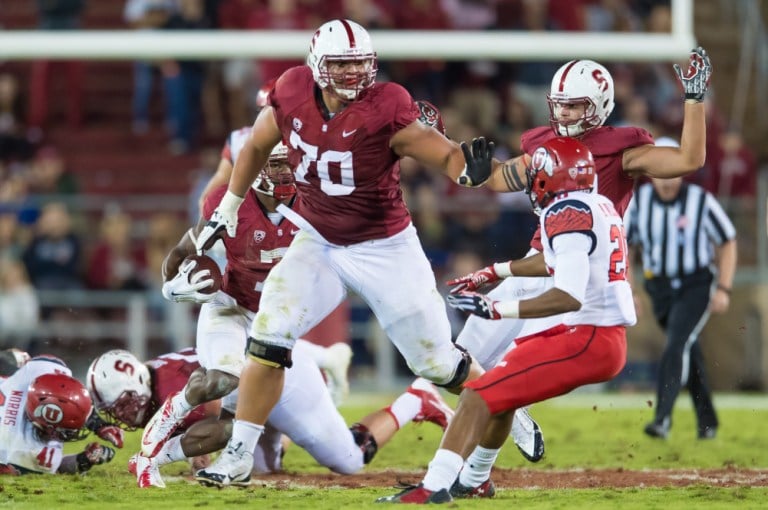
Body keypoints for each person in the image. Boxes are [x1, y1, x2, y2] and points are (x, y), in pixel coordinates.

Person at [193, 19, 486, 486]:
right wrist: (230, 204)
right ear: (316, 66)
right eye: (341, 64)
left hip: (384, 246)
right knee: (269, 337)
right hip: (319, 238)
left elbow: (443, 153)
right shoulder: (290, 90)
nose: (351, 74)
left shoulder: (387, 103)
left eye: (358, 64)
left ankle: (505, 401)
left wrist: (464, 170)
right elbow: (254, 146)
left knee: (437, 363)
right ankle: (237, 455)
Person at [435, 47, 713, 496]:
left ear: (599, 106)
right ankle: (514, 415)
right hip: (536, 263)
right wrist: (475, 172)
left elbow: (687, 160)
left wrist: (694, 100)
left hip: (576, 277)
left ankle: (474, 468)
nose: (564, 113)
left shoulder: (621, 149)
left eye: (574, 105)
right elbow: (502, 176)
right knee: (452, 363)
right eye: (559, 104)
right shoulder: (540, 142)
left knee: (510, 371)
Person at [378, 137, 636, 504]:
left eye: (535, 175)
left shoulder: (567, 211)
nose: (530, 182)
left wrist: (499, 309)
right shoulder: (596, 204)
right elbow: (554, 260)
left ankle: (433, 486)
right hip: (592, 334)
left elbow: (568, 294)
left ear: (549, 177)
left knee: (477, 395)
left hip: (588, 336)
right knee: (500, 390)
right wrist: (494, 271)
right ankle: (475, 480)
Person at [624, 138, 737, 440]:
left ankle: (662, 419)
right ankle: (708, 420)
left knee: (676, 344)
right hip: (659, 287)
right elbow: (626, 246)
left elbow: (727, 240)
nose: (666, 179)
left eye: (672, 170)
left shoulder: (700, 200)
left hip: (695, 284)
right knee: (688, 348)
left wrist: (723, 287)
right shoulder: (640, 203)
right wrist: (630, 289)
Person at [0, 356, 116, 475]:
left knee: (15, 357)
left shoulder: (34, 374)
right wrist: (84, 459)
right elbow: (58, 468)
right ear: (49, 425)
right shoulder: (20, 447)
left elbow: (50, 364)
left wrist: (98, 424)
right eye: (68, 429)